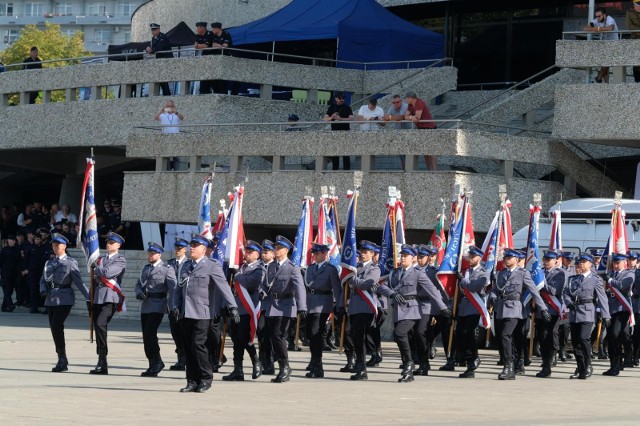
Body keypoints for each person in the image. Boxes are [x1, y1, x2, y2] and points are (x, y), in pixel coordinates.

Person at [172, 234, 239, 393]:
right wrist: (175, 306)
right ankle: (192, 381)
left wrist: (232, 307)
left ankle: (205, 378)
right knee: (187, 347)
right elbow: (178, 289)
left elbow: (223, 287)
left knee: (198, 344)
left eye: (195, 246)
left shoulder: (212, 266)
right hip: (185, 313)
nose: (192, 248)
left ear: (203, 250)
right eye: (191, 245)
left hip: (203, 313)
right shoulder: (185, 265)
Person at [377, 244, 452, 383]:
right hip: (399, 310)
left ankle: (412, 363)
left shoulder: (418, 273)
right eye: (401, 256)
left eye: (405, 256)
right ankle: (409, 365)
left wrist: (442, 307)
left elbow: (432, 290)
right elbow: (382, 286)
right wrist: (392, 293)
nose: (403, 258)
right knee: (402, 337)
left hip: (413, 309)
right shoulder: (395, 272)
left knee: (404, 333)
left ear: (413, 258)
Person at [488, 248, 551, 380]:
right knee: (502, 337)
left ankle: (509, 366)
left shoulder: (523, 274)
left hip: (515, 308)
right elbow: (495, 290)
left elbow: (534, 291)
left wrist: (543, 308)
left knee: (506, 335)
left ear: (516, 260)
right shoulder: (500, 273)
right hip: (501, 308)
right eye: (505, 257)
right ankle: (511, 365)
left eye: (509, 258)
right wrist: (492, 298)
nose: (506, 260)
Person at [258, 235, 306, 383]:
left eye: (278, 248)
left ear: (285, 251)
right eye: (275, 248)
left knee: (278, 335)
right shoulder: (271, 266)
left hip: (286, 305)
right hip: (272, 304)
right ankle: (282, 365)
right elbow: (266, 284)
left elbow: (300, 288)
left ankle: (284, 366)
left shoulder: (292, 268)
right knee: (273, 336)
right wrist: (262, 291)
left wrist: (302, 307)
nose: (275, 250)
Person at [39, 234, 90, 372]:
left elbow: (79, 282)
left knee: (56, 325)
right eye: (53, 245)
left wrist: (89, 298)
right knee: (54, 329)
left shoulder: (70, 262)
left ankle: (62, 359)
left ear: (64, 246)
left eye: (57, 245)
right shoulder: (49, 263)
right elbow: (43, 280)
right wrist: (43, 290)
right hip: (50, 299)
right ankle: (62, 358)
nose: (55, 248)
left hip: (64, 298)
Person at [336, 240, 381, 380]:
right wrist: (341, 305)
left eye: (365, 252)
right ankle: (359, 365)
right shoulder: (354, 268)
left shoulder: (374, 269)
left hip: (366, 307)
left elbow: (367, 284)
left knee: (359, 336)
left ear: (372, 254)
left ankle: (362, 369)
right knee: (355, 336)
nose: (362, 254)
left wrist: (353, 279)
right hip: (354, 307)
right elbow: (345, 288)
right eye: (361, 251)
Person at [223, 240, 265, 381]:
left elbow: (250, 283)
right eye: (245, 251)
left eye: (250, 252)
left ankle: (256, 360)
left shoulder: (259, 269)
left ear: (257, 255)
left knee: (244, 337)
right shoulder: (241, 267)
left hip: (248, 308)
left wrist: (237, 275)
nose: (246, 254)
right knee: (236, 339)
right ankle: (238, 370)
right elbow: (231, 289)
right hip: (236, 307)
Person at [563, 252, 611, 379]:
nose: (581, 264)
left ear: (590, 264)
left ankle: (588, 364)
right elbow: (566, 293)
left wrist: (606, 315)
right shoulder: (573, 279)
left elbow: (602, 298)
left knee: (584, 338)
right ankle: (580, 366)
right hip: (574, 312)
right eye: (580, 262)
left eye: (584, 262)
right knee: (575, 342)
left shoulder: (595, 280)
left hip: (588, 312)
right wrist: (568, 303)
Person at [135, 242, 177, 377]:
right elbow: (138, 284)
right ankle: (152, 363)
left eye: (153, 253)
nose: (150, 255)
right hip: (146, 305)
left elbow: (174, 288)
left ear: (159, 254)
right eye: (149, 253)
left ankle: (158, 362)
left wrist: (174, 306)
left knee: (150, 333)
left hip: (158, 305)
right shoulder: (146, 268)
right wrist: (138, 292)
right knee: (146, 337)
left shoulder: (166, 268)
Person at [90, 231, 127, 375]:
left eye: (111, 242)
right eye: (107, 242)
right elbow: (95, 280)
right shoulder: (100, 259)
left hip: (110, 298)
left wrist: (95, 266)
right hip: (98, 296)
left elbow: (107, 273)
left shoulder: (120, 260)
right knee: (98, 327)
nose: (108, 244)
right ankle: (101, 361)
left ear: (118, 245)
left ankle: (102, 358)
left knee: (100, 324)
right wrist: (89, 298)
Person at [303, 243, 341, 378]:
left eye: (317, 254)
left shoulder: (331, 269)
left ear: (325, 254)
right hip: (310, 303)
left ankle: (318, 365)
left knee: (316, 333)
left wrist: (340, 306)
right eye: (314, 254)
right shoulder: (310, 268)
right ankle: (314, 361)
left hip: (323, 304)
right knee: (309, 335)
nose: (315, 256)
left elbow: (337, 289)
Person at [410, 245, 448, 377]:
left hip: (428, 306)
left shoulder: (433, 272)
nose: (420, 259)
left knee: (421, 332)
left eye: (422, 257)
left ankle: (424, 362)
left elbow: (441, 291)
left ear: (428, 258)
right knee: (416, 334)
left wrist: (442, 306)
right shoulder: (413, 270)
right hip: (415, 304)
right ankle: (422, 362)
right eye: (418, 257)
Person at [455, 246, 490, 379]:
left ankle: (473, 359)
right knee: (460, 334)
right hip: (464, 307)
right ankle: (471, 362)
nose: (470, 259)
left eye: (472, 257)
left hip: (474, 307)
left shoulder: (483, 273)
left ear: (479, 258)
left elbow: (473, 287)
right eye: (469, 256)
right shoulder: (466, 272)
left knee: (468, 333)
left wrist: (462, 279)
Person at [535, 250, 567, 378]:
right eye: (545, 259)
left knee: (550, 336)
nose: (546, 262)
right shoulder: (539, 272)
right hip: (540, 310)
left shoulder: (559, 273)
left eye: (549, 260)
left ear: (555, 261)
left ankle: (551, 359)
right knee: (542, 337)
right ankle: (545, 362)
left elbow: (554, 291)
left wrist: (541, 283)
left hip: (553, 310)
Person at [603, 252, 634, 376]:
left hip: (621, 309)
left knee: (616, 336)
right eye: (614, 263)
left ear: (624, 263)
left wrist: (609, 280)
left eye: (618, 262)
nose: (615, 265)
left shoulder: (629, 274)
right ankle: (614, 365)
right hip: (610, 309)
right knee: (611, 338)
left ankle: (617, 365)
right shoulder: (610, 273)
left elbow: (622, 286)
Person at [167, 238, 189, 371]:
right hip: (172, 304)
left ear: (185, 249)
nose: (178, 250)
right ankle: (180, 358)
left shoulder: (189, 263)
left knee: (183, 332)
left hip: (185, 304)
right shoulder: (169, 264)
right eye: (176, 248)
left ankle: (184, 359)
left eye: (180, 248)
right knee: (175, 332)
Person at [583, 7, 619, 83]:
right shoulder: (596, 20)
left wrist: (597, 29)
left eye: (599, 16)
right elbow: (586, 28)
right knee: (605, 64)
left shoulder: (610, 19)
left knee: (607, 63)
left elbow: (610, 28)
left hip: (613, 44)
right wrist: (596, 28)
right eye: (596, 16)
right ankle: (606, 84)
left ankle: (599, 77)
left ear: (604, 15)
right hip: (603, 45)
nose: (598, 18)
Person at [405, 91, 437, 171]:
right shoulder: (410, 105)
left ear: (409, 98)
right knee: (425, 152)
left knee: (432, 152)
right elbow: (406, 116)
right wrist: (411, 117)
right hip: (421, 129)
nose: (406, 100)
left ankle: (434, 171)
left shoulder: (419, 103)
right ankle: (430, 170)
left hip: (429, 128)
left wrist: (411, 117)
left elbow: (417, 117)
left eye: (406, 99)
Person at [258, 239, 276, 374]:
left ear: (273, 254)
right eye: (262, 252)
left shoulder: (277, 267)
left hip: (273, 306)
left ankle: (270, 363)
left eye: (267, 252)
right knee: (261, 334)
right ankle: (263, 361)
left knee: (271, 336)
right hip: (258, 307)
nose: (264, 254)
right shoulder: (257, 266)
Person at [323, 92, 353, 170]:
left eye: (343, 98)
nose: (342, 100)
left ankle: (347, 170)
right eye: (340, 98)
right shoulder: (332, 107)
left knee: (346, 153)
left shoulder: (347, 107)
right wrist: (332, 117)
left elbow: (351, 118)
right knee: (335, 152)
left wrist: (340, 119)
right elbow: (325, 119)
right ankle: (335, 170)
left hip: (345, 133)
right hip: (334, 133)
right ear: (336, 98)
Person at [146, 23, 173, 95]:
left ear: (158, 30)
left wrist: (151, 50)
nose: (153, 31)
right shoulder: (153, 38)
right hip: (159, 61)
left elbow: (159, 48)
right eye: (152, 30)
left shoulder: (163, 37)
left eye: (154, 30)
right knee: (161, 80)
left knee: (164, 79)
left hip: (165, 61)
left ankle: (167, 94)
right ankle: (165, 93)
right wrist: (148, 49)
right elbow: (151, 47)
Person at [0, 235, 23, 312]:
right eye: (11, 240)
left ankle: (4, 307)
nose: (13, 242)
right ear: (8, 241)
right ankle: (10, 304)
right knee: (6, 290)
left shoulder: (17, 250)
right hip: (5, 273)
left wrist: (20, 271)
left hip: (14, 273)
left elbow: (19, 262)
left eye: (14, 240)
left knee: (10, 291)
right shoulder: (4, 250)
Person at [210, 22, 233, 94]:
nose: (212, 31)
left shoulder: (226, 34)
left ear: (217, 29)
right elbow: (210, 44)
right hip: (214, 59)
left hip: (224, 59)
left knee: (222, 80)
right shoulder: (212, 35)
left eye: (213, 29)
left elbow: (225, 45)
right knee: (214, 80)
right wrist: (217, 45)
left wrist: (217, 46)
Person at [194, 22, 214, 95]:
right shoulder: (197, 36)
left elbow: (206, 46)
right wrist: (200, 45)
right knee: (204, 75)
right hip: (204, 56)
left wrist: (199, 45)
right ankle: (203, 91)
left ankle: (210, 90)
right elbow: (195, 46)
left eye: (198, 27)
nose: (196, 29)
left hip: (212, 56)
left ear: (202, 28)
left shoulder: (210, 34)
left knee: (211, 76)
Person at [628, 251, 640, 366]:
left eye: (633, 259)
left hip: (637, 308)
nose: (631, 261)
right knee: (625, 333)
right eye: (629, 259)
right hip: (625, 306)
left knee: (636, 334)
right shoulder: (623, 273)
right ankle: (628, 356)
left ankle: (635, 356)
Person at [627, 1, 640, 82]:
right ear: (634, 5)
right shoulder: (630, 12)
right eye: (638, 5)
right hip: (635, 39)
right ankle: (637, 81)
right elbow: (629, 25)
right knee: (636, 62)